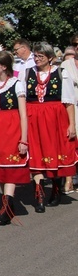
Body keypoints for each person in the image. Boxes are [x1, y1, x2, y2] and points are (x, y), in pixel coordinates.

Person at [23, 42, 77, 212]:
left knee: (54, 152)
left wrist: (72, 125)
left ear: (50, 58)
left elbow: (68, 101)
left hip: (55, 118)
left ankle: (55, 187)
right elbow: (22, 99)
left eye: (41, 56)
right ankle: (39, 193)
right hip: (33, 117)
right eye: (36, 56)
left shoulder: (62, 73)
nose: (37, 59)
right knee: (35, 154)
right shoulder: (27, 73)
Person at [0, 50, 29, 224]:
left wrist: (23, 139)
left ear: (3, 66)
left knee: (9, 167)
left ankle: (6, 206)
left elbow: (23, 114)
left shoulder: (16, 84)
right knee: (0, 168)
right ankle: (7, 206)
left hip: (11, 129)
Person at [60, 34, 78, 193]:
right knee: (70, 144)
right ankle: (69, 179)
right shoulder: (66, 64)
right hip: (71, 108)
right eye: (75, 44)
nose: (77, 46)